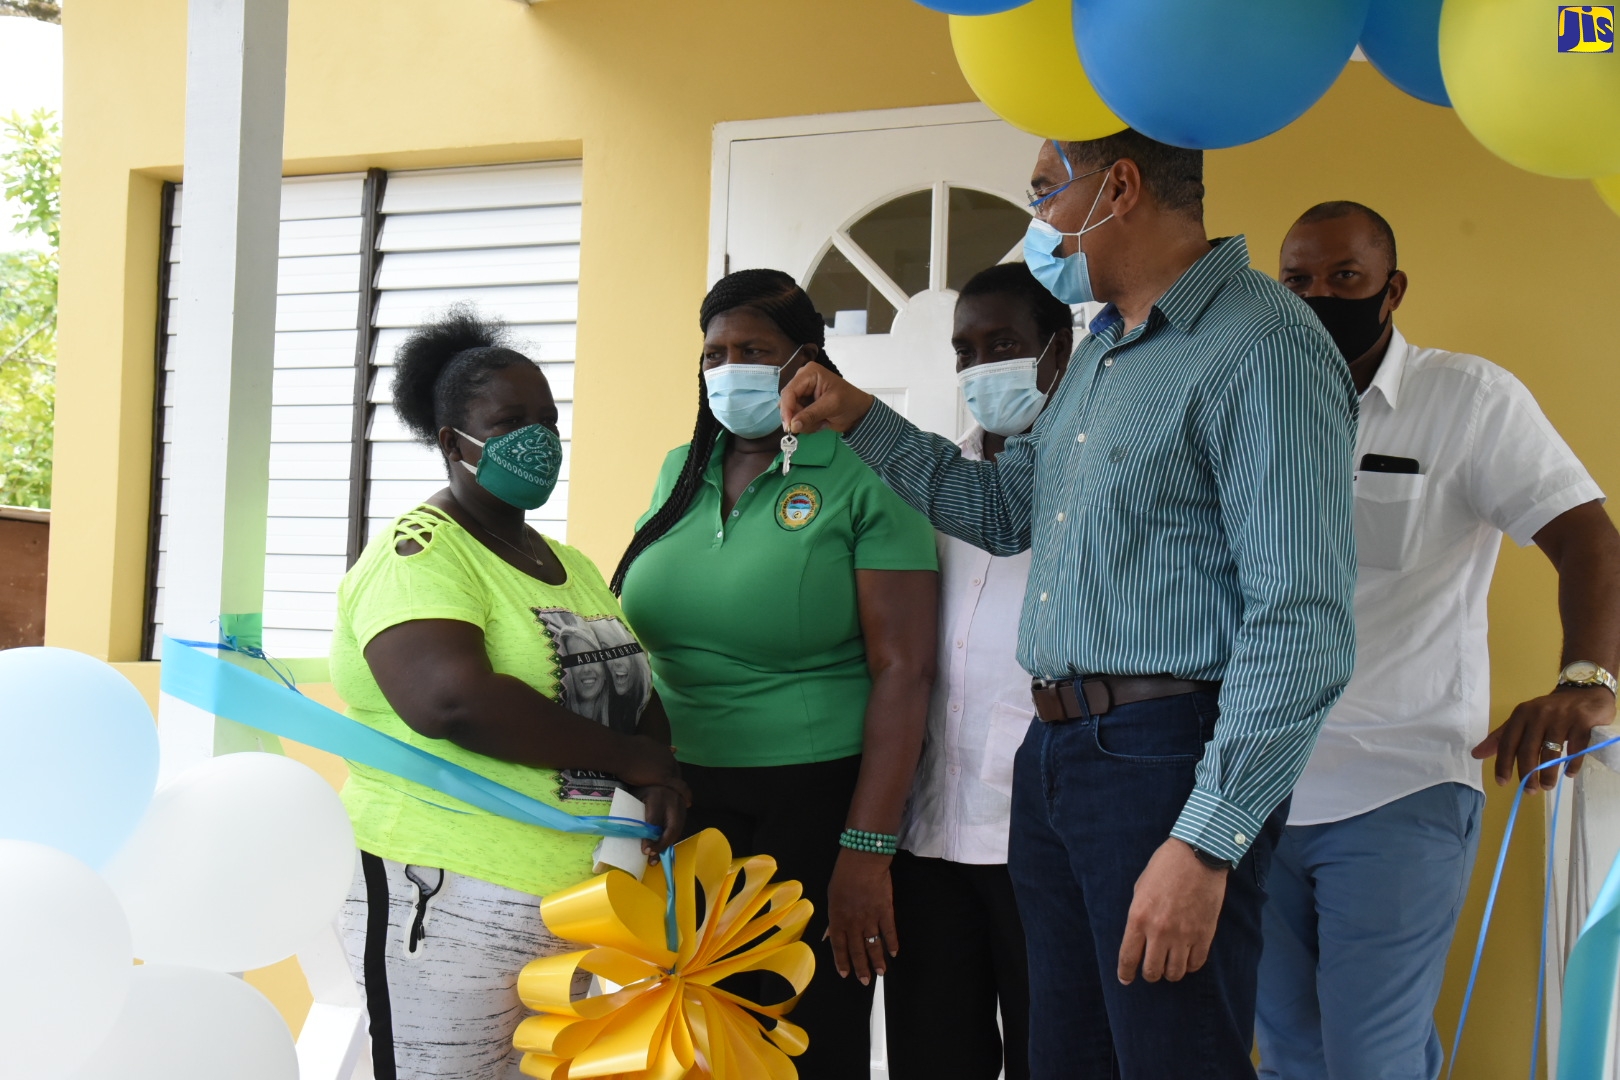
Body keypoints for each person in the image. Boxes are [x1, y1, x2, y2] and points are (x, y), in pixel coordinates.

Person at [780, 132, 1359, 1078]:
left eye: (1046, 191)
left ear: (1118, 188)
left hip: (1165, 754)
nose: (1034, 223)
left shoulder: (1262, 345)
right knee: (1068, 1061)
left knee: (1172, 1057)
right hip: (1057, 756)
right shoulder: (1104, 352)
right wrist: (860, 418)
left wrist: (1207, 842)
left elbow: (1301, 621)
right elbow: (1007, 514)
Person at [1257, 201, 1620, 1080]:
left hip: (1400, 780)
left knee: (1369, 1059)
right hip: (1252, 787)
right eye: (1297, 281)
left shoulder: (1469, 399)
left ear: (1393, 289)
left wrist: (1585, 676)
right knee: (1290, 1053)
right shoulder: (1253, 402)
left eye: (1344, 277)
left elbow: (1588, 541)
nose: (1318, 297)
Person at [328, 306, 689, 1080]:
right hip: (441, 892)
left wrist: (658, 772)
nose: (539, 438)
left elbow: (631, 683)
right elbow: (450, 700)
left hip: (582, 899)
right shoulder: (418, 553)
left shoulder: (570, 563)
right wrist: (631, 758)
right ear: (452, 441)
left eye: (548, 419)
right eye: (511, 420)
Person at [612, 269, 939, 1079]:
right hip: (684, 800)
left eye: (754, 350)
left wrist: (866, 849)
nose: (730, 369)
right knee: (691, 1032)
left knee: (802, 1036)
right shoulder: (678, 471)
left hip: (815, 797)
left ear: (807, 357)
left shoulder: (869, 473)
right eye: (715, 353)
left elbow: (904, 669)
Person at [882, 261, 1073, 1080]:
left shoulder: (1089, 482)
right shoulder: (924, 482)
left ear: (1057, 353)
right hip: (929, 834)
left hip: (1045, 837)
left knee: (1053, 1053)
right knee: (932, 1055)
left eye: (1004, 343)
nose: (980, 365)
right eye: (965, 349)